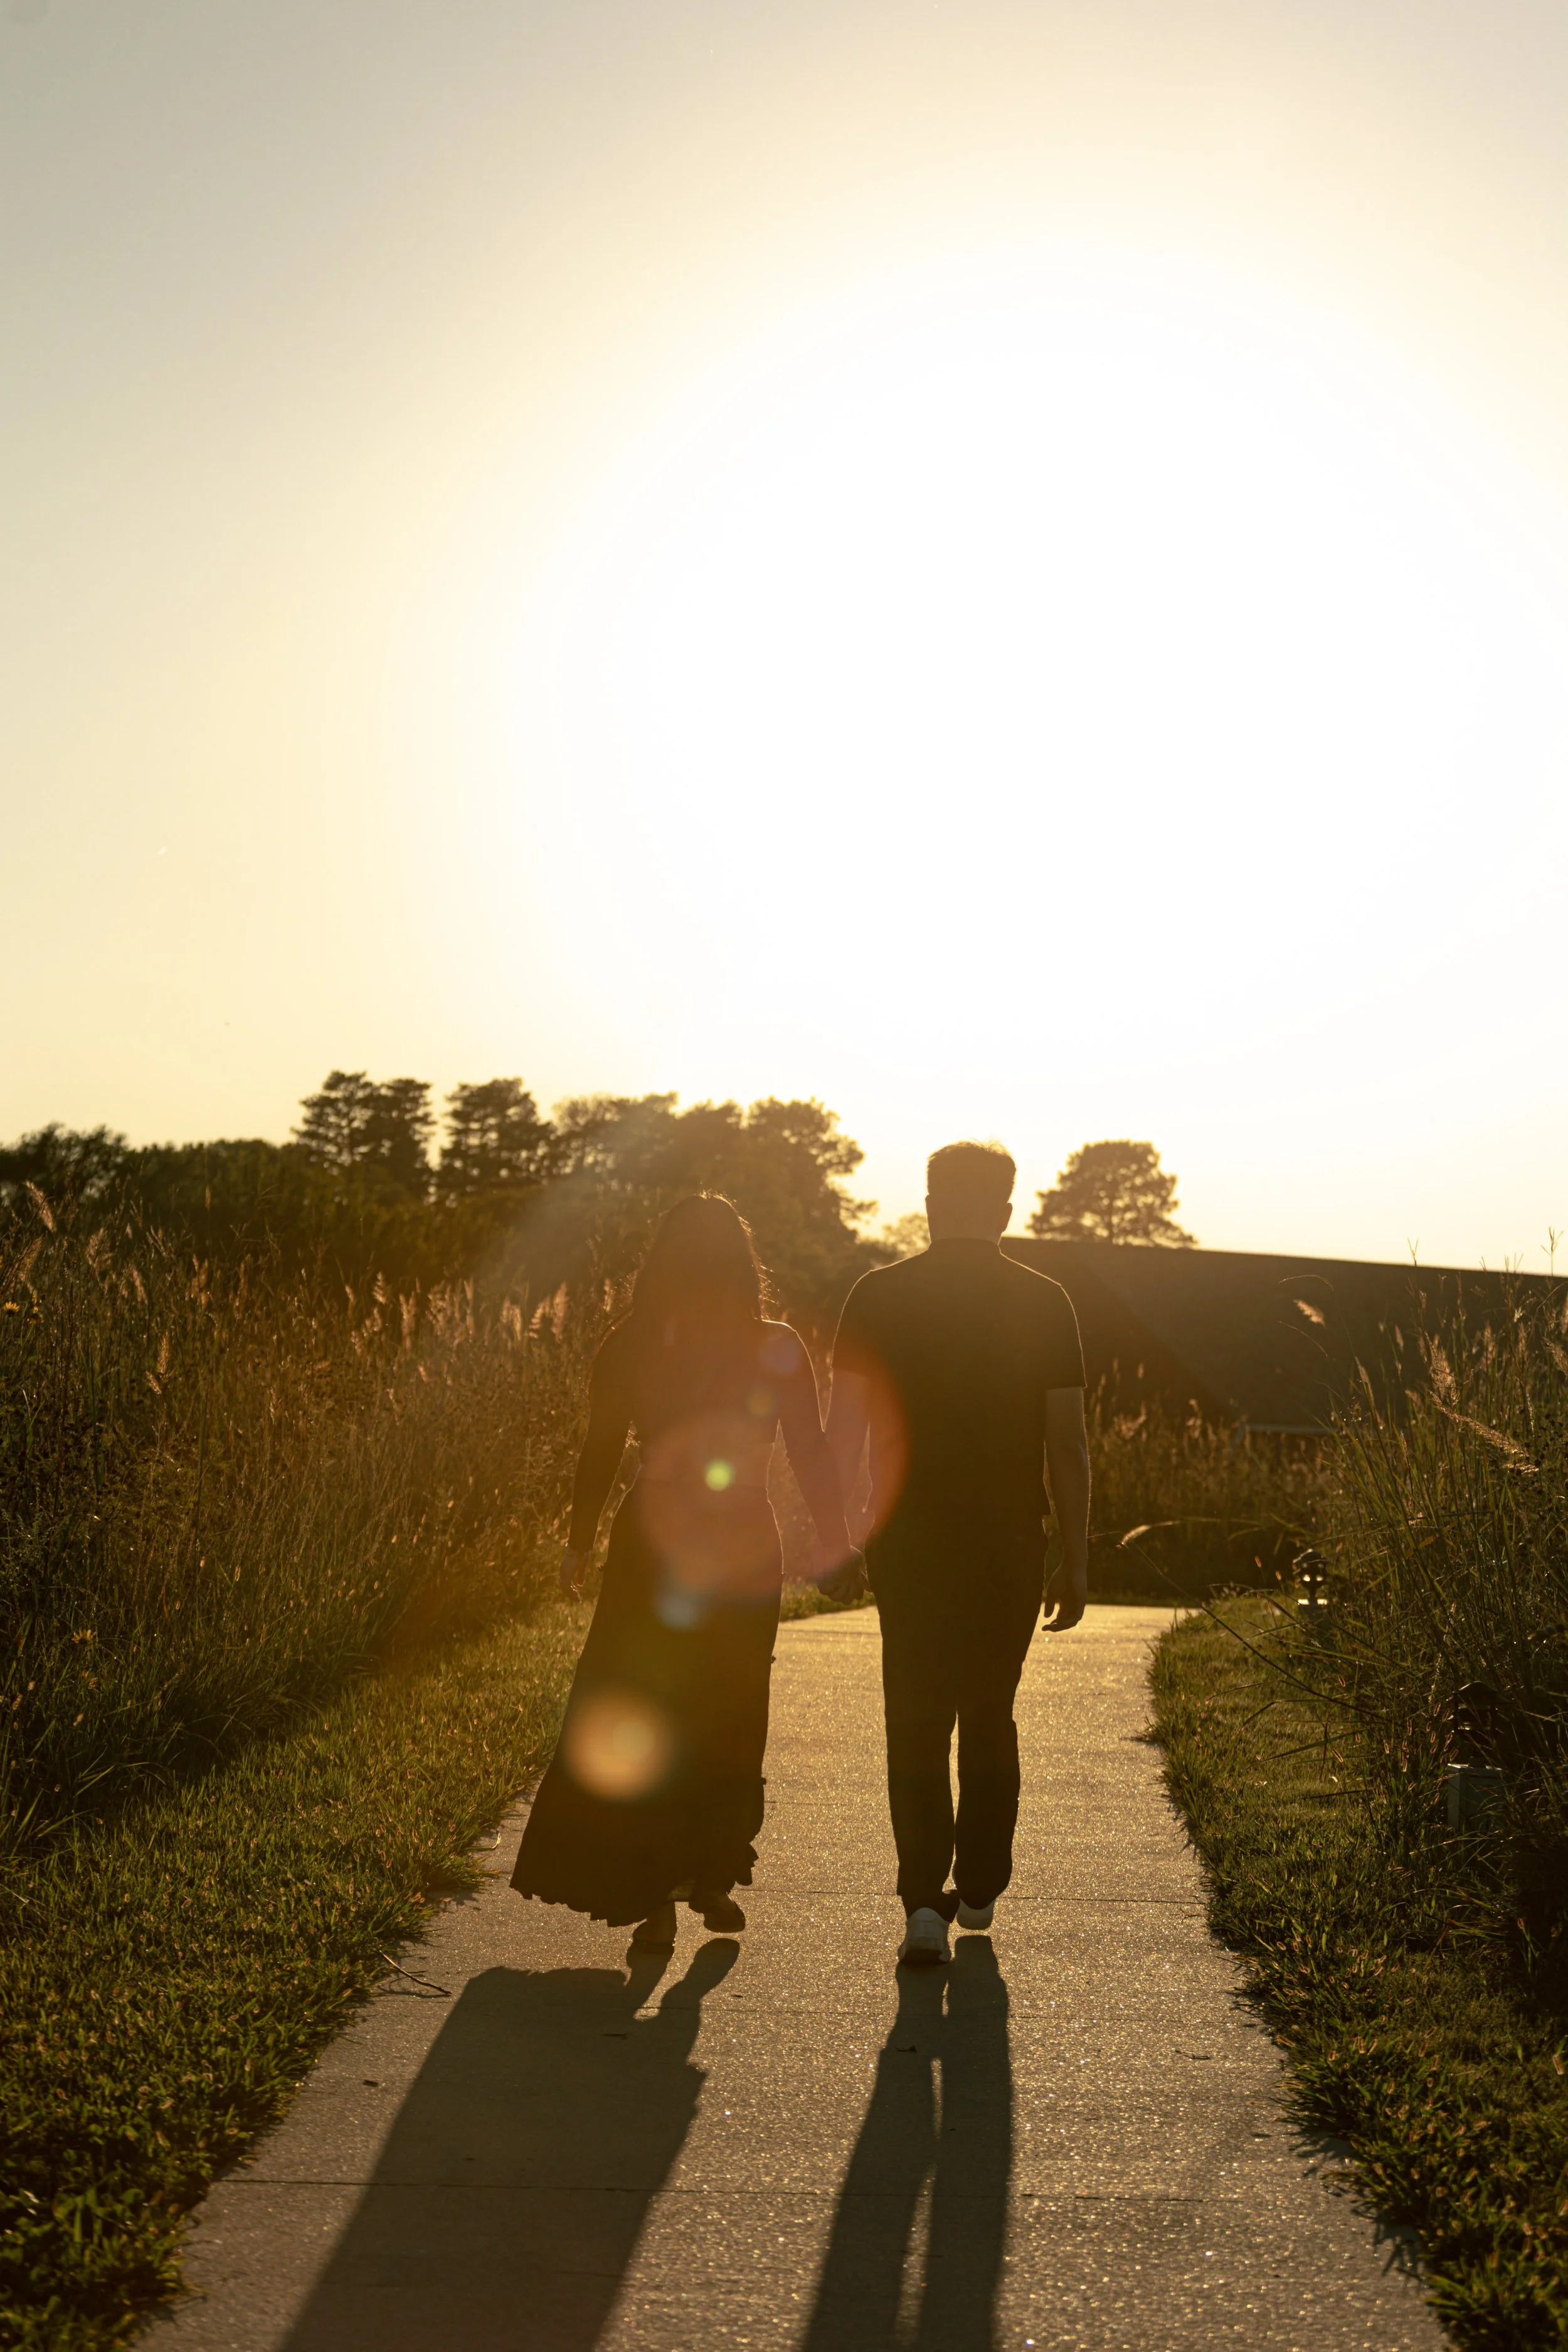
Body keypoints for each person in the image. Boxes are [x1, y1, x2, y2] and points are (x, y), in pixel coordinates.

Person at [512, 1194, 860, 1949]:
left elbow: (599, 1451)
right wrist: (835, 1541)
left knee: (645, 1699)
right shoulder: (775, 1343)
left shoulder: (631, 1342)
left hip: (653, 1535)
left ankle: (661, 1885)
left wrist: (579, 1542)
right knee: (729, 1704)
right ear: (742, 1262)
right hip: (740, 1536)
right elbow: (809, 1451)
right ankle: (706, 1870)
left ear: (660, 1261)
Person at [827, 1141, 1090, 1967]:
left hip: (908, 1541)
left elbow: (845, 1434)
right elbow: (1068, 1445)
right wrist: (1077, 1559)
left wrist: (840, 1533)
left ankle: (921, 1905)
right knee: (988, 1714)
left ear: (933, 1202)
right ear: (1006, 1210)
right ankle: (977, 1883)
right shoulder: (1047, 1301)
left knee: (915, 1718)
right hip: (1008, 1543)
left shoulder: (878, 1294)